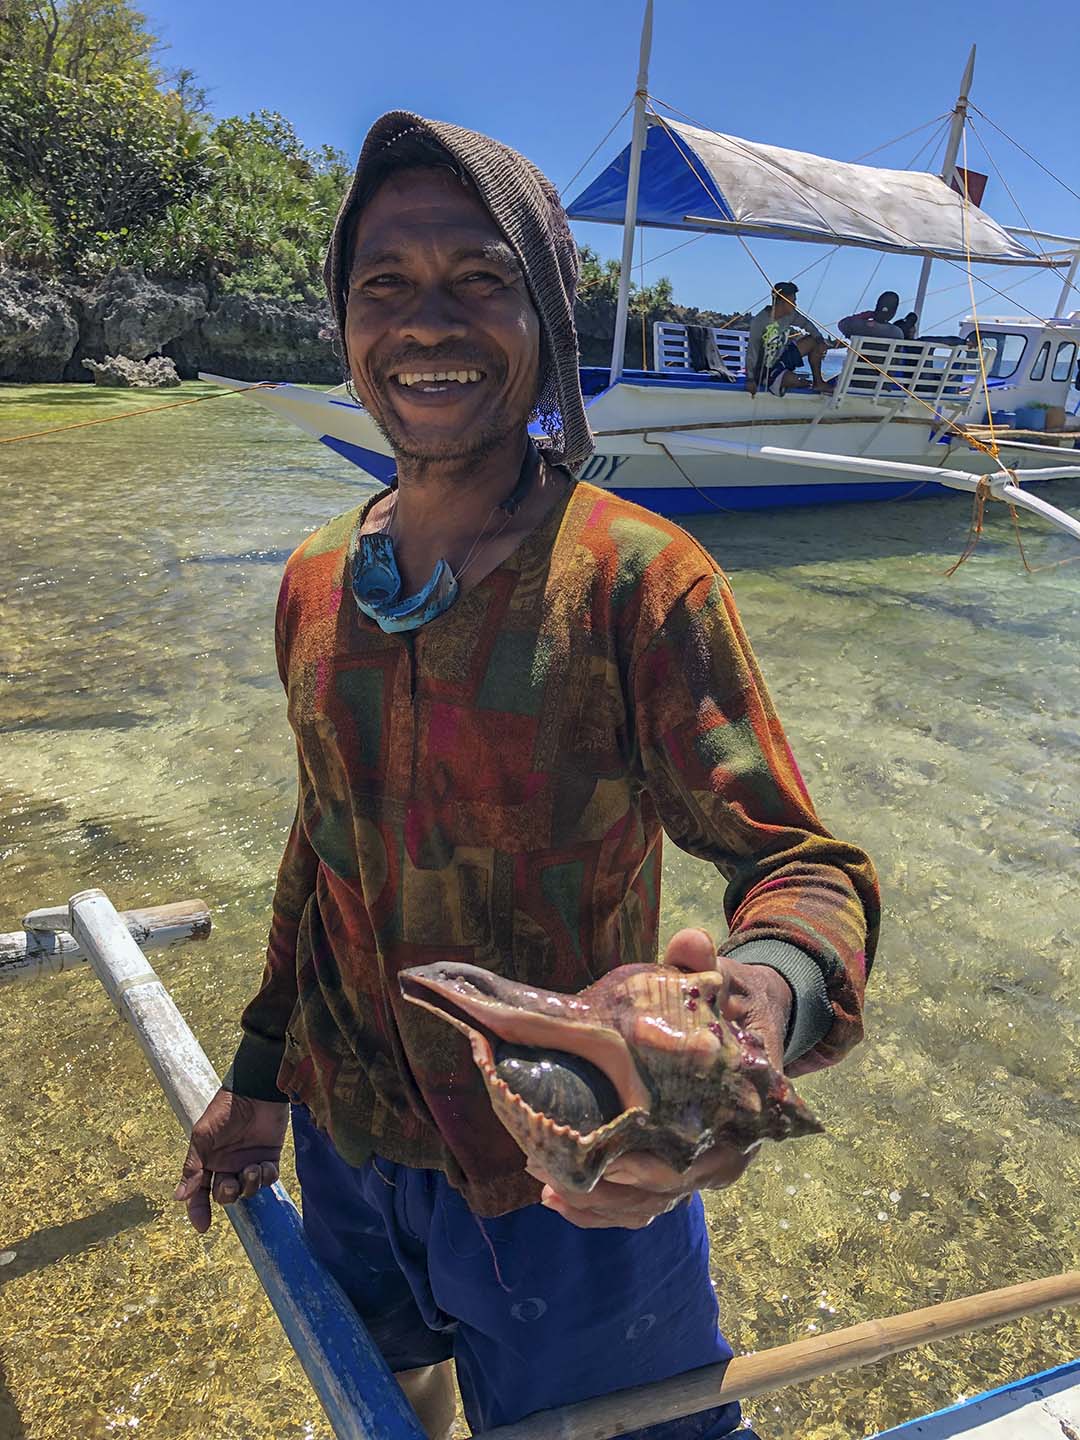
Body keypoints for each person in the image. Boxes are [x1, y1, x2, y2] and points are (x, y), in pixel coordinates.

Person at [175, 112, 880, 1440]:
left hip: (573, 1173)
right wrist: (260, 1074)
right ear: (345, 325)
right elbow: (322, 842)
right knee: (390, 1403)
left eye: (478, 283)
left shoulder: (636, 578)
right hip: (348, 1140)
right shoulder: (317, 576)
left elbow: (801, 869)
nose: (425, 323)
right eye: (386, 286)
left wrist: (743, 1025)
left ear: (547, 324)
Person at [745, 281, 834, 395]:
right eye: (793, 301)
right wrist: (750, 379)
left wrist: (820, 340)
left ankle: (818, 383)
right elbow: (752, 351)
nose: (795, 305)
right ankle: (793, 381)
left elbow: (807, 324)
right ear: (782, 301)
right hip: (766, 368)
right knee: (793, 380)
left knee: (813, 341)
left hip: (783, 357)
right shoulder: (760, 321)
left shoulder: (790, 315)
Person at [837, 291, 904, 340]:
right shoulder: (897, 333)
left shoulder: (861, 327)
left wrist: (866, 315)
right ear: (893, 313)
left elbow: (842, 324)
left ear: (877, 307)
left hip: (860, 359)